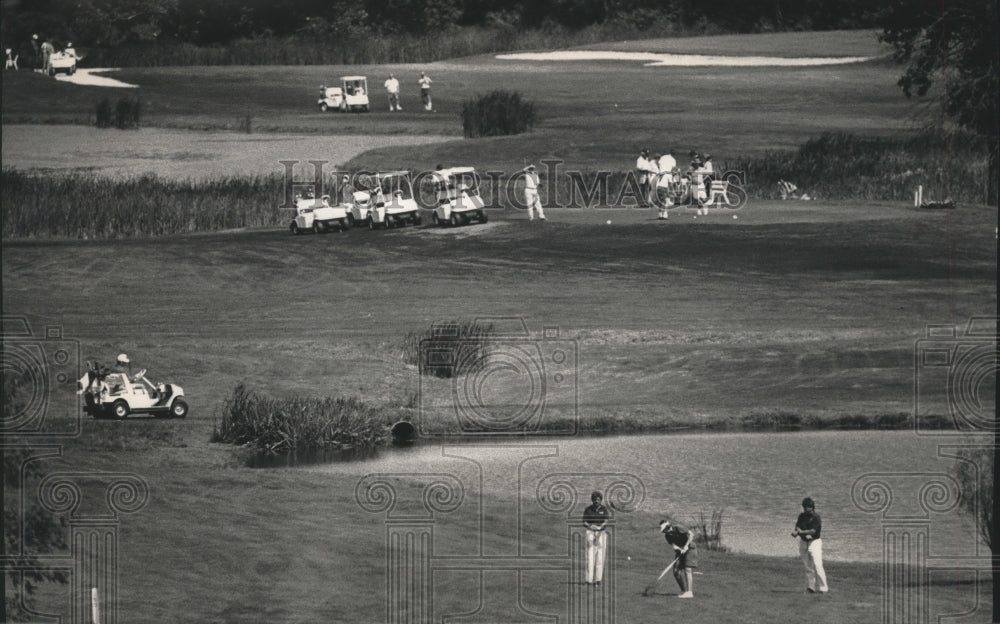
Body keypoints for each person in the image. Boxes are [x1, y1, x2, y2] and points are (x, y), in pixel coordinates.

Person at [793, 497, 828, 594]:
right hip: (804, 542)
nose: (805, 509)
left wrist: (801, 532)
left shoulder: (816, 517)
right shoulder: (802, 516)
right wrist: (796, 532)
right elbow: (797, 526)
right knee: (808, 566)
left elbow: (813, 531)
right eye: (804, 507)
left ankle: (823, 588)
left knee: (817, 564)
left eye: (807, 507)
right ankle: (811, 587)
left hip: (815, 542)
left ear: (812, 507)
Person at [659, 519, 697, 598]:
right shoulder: (667, 536)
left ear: (668, 526)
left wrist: (686, 545)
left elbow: (691, 534)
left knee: (688, 569)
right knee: (676, 571)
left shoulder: (678, 527)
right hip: (681, 551)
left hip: (690, 548)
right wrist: (679, 549)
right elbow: (674, 545)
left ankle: (690, 592)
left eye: (665, 530)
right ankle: (684, 591)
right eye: (663, 531)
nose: (664, 532)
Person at [582, 491, 610, 585]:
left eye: (598, 499)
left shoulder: (604, 509)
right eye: (594, 499)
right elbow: (584, 522)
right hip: (590, 532)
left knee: (600, 557)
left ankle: (598, 580)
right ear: (592, 500)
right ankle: (588, 580)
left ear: (600, 500)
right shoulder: (588, 509)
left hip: (601, 533)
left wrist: (600, 527)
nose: (596, 501)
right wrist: (591, 526)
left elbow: (606, 521)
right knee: (589, 557)